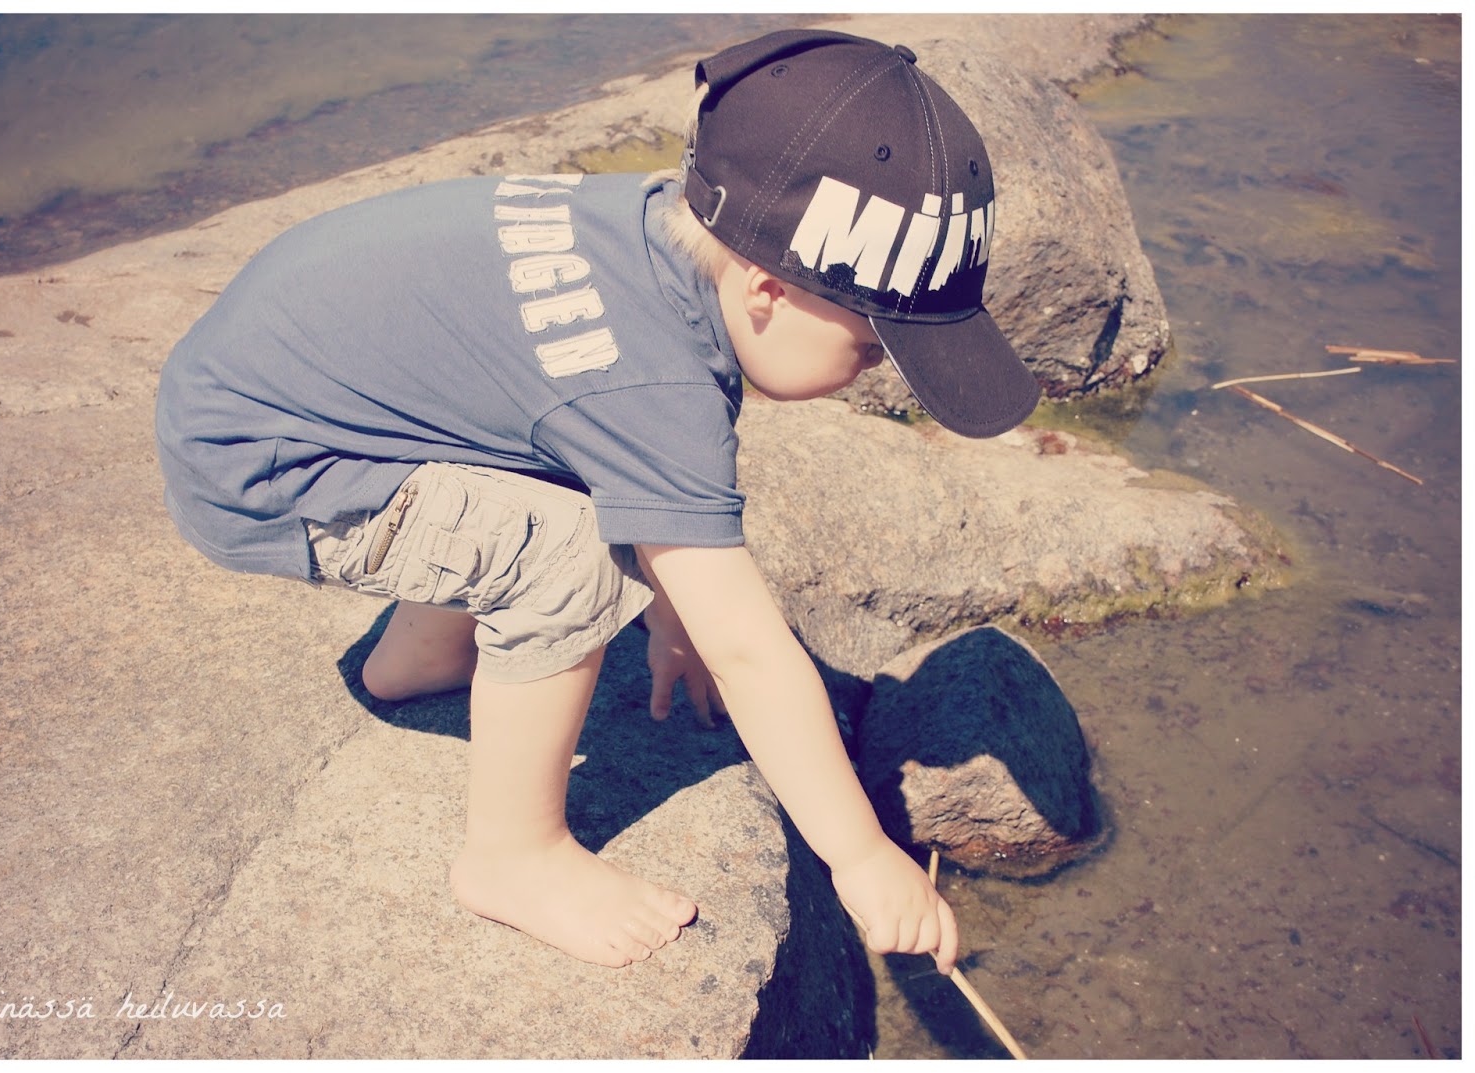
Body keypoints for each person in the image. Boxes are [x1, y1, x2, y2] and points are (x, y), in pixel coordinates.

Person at [155, 29, 1040, 970]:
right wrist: (861, 856)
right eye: (872, 347)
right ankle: (513, 855)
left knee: (554, 429)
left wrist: (672, 612)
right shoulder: (653, 384)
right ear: (768, 290)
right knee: (575, 555)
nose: (878, 373)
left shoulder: (649, 236)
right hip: (272, 467)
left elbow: (605, 431)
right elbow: (749, 650)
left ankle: (419, 654)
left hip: (276, 395)